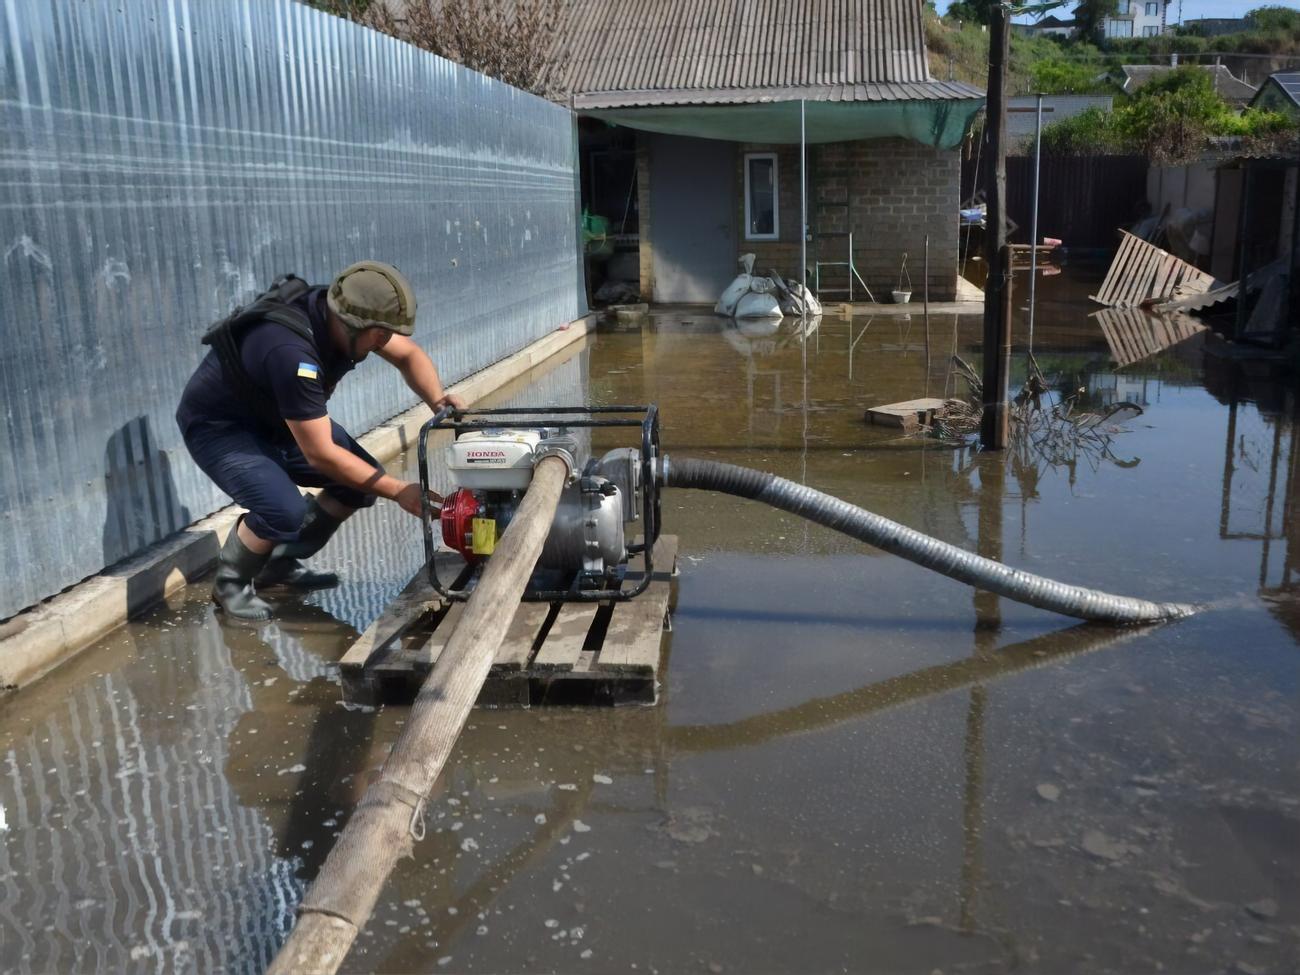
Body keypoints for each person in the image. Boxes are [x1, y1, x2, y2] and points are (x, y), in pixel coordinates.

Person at [176, 261, 466, 622]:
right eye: (381, 334)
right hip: (222, 428)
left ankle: (277, 564)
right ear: (352, 324)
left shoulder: (343, 317)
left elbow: (409, 355)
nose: (387, 342)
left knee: (359, 485)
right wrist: (398, 491)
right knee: (284, 511)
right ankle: (231, 584)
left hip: (275, 417)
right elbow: (321, 455)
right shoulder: (290, 352)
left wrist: (438, 402)